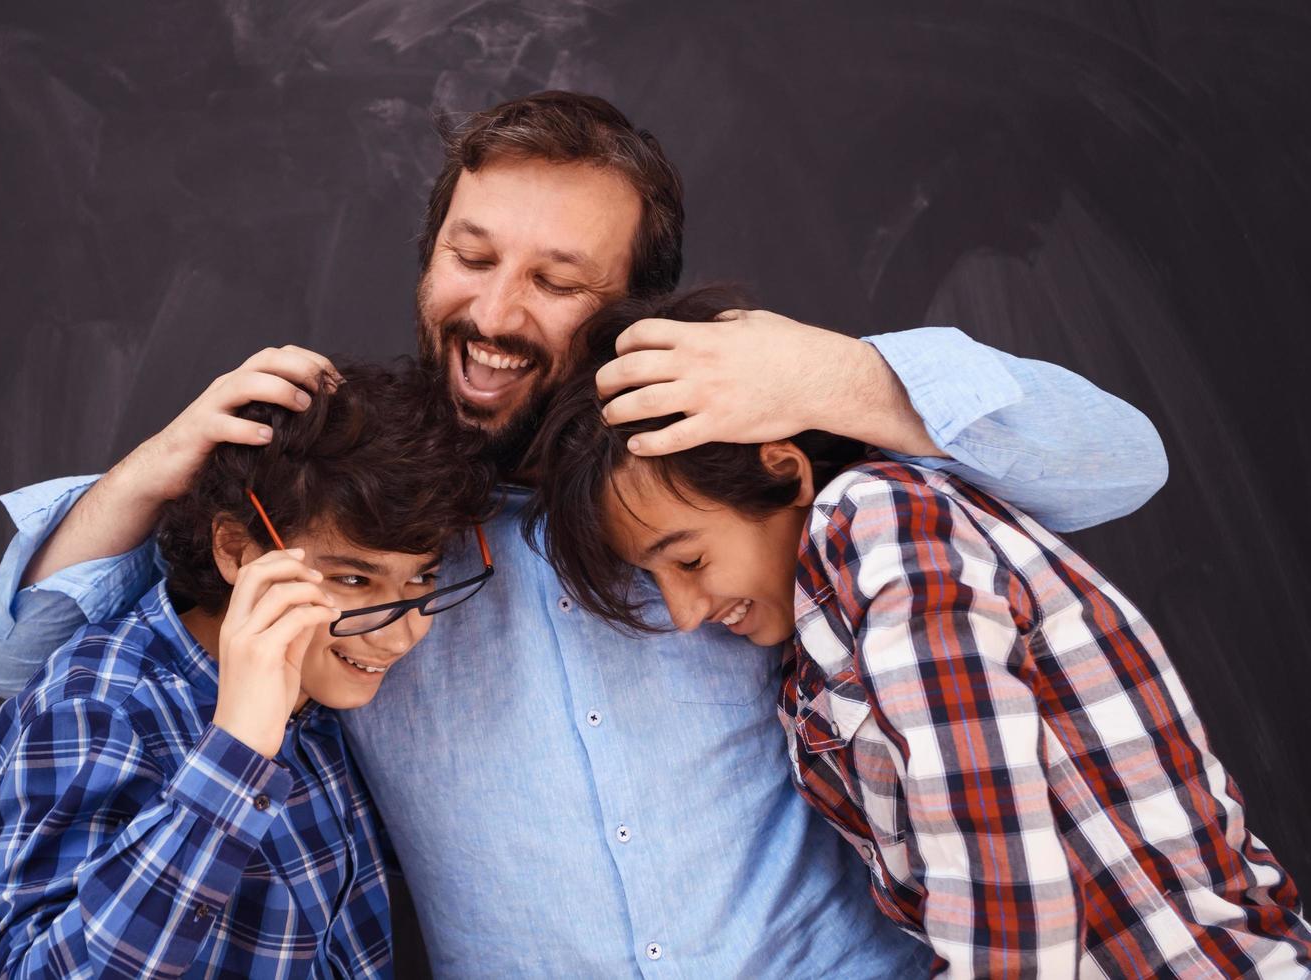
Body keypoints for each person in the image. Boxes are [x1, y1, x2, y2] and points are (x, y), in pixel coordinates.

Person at [0, 92, 1170, 974]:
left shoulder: (735, 456)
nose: (492, 313)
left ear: (630, 306)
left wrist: (837, 372)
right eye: (470, 257)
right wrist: (155, 465)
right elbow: (20, 667)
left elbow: (1122, 462)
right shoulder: (357, 505)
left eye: (555, 278)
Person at [526, 285, 1311, 977]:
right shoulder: (813, 649)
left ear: (784, 468)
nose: (689, 613)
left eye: (689, 560)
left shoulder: (874, 519)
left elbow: (1003, 888)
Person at [0, 364, 495, 978]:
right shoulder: (96, 707)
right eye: (354, 580)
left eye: (424, 577)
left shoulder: (326, 693)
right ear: (237, 550)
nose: (401, 633)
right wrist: (235, 753)